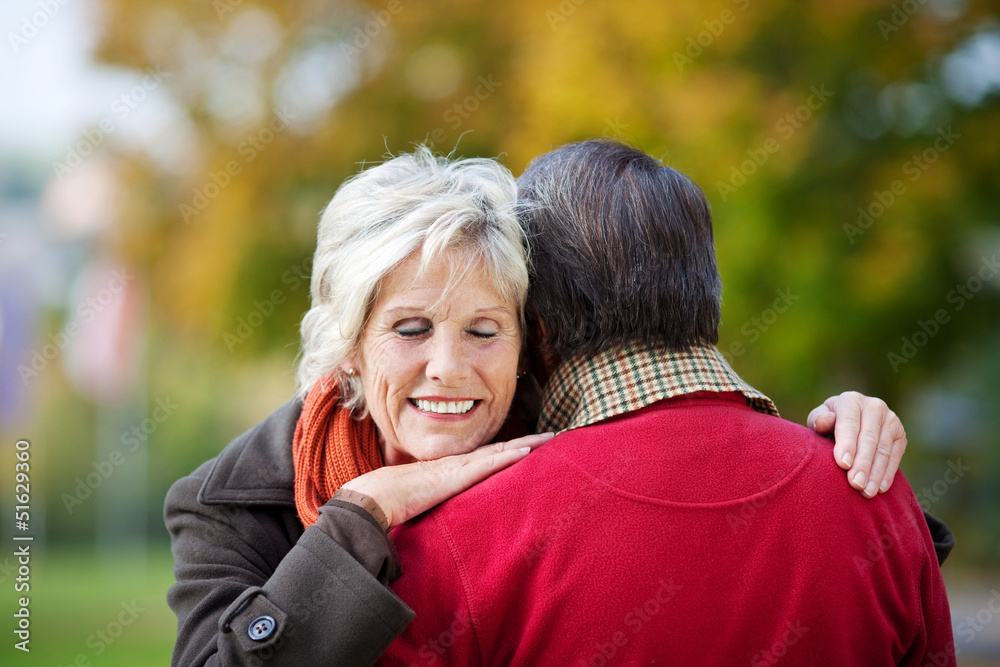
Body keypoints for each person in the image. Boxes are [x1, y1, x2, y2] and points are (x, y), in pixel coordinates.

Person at [165, 147, 948, 667]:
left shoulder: (547, 448)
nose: (450, 366)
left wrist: (840, 441)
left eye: (483, 328)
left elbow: (704, 476)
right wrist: (357, 516)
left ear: (529, 337)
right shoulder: (228, 505)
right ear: (348, 349)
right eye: (410, 328)